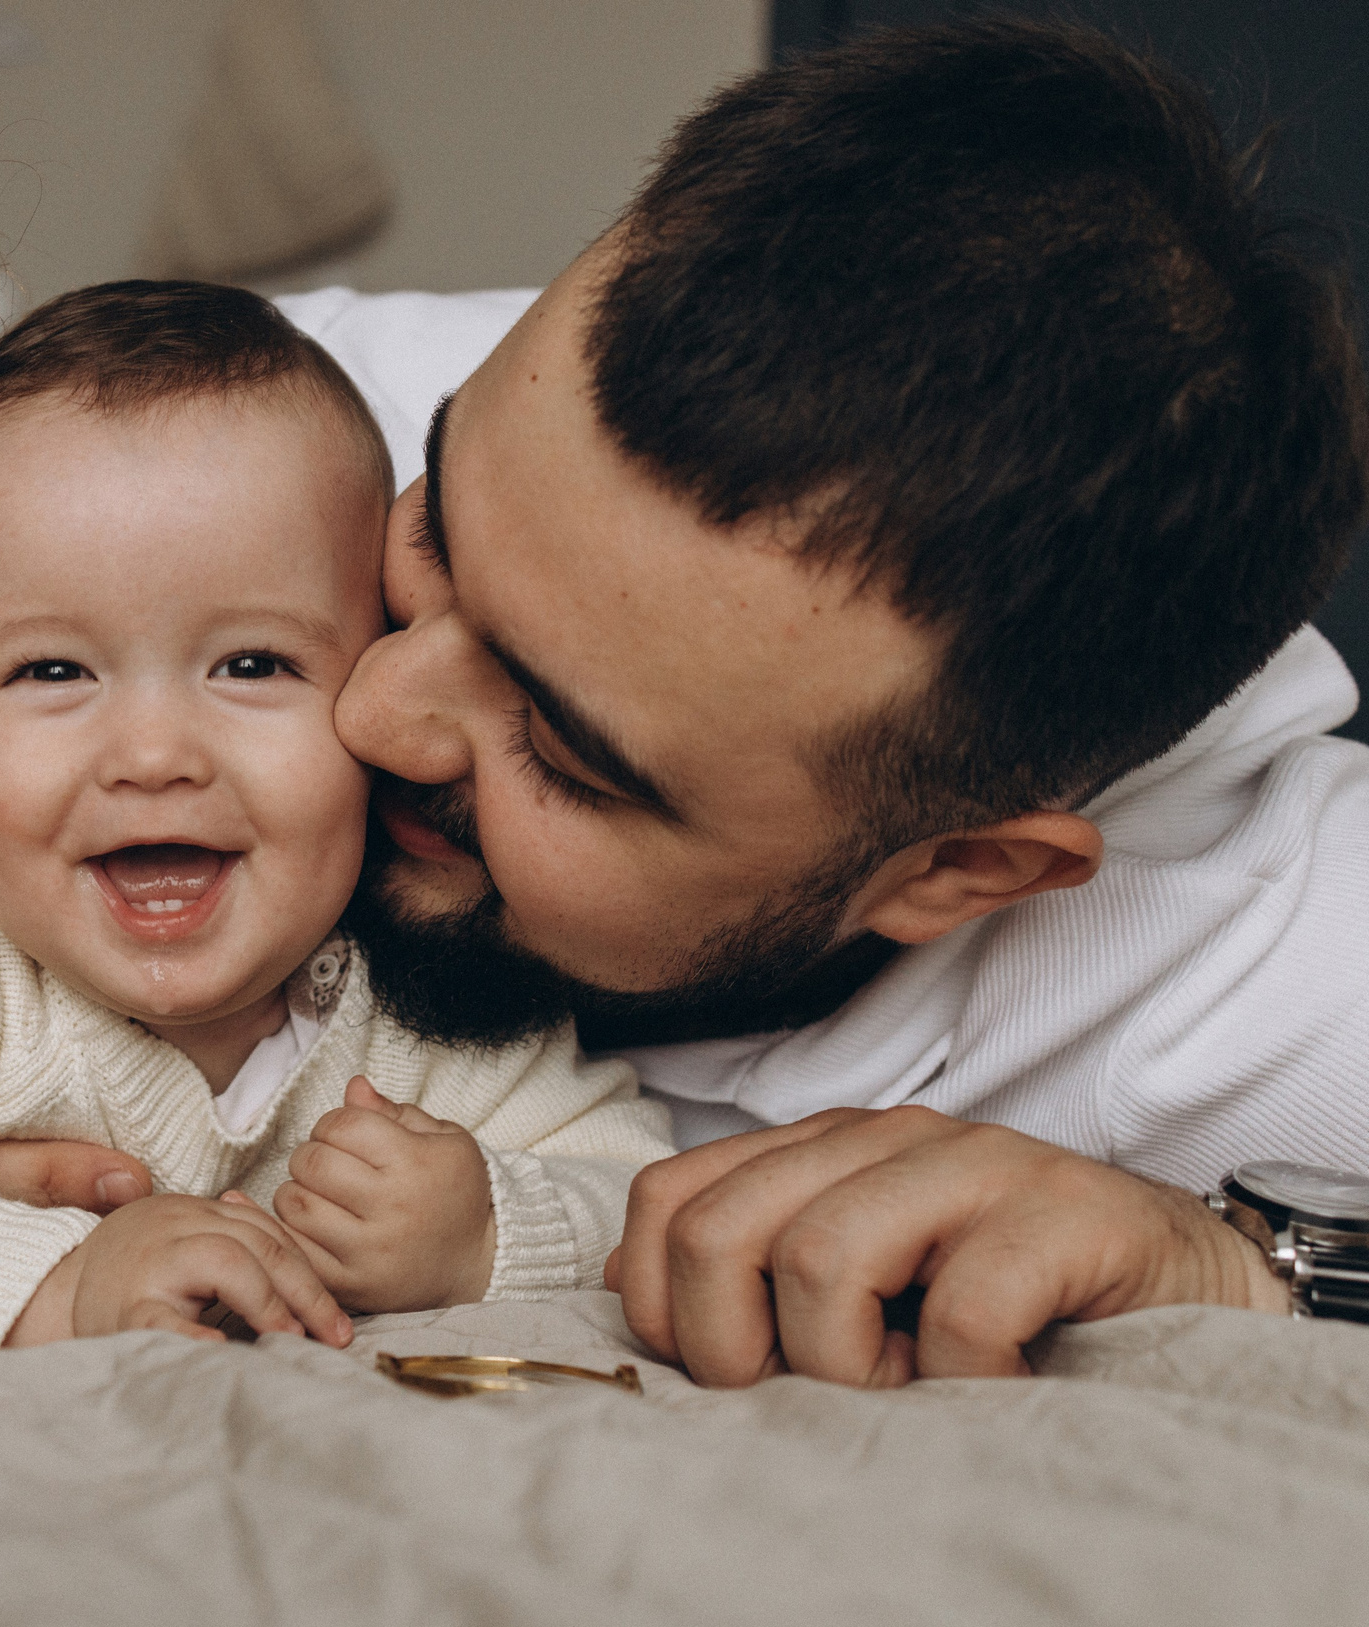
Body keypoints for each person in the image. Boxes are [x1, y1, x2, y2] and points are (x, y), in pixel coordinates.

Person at [307, 20, 1369, 1386]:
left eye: (564, 753)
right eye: (434, 536)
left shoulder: (1290, 961)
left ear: (963, 869)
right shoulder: (286, 423)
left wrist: (1231, 1262)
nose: (371, 711)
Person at [0, 283, 671, 1352]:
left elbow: (645, 1195)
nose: (152, 757)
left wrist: (486, 1230)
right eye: (51, 670)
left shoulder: (410, 957)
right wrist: (62, 1284)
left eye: (252, 664)